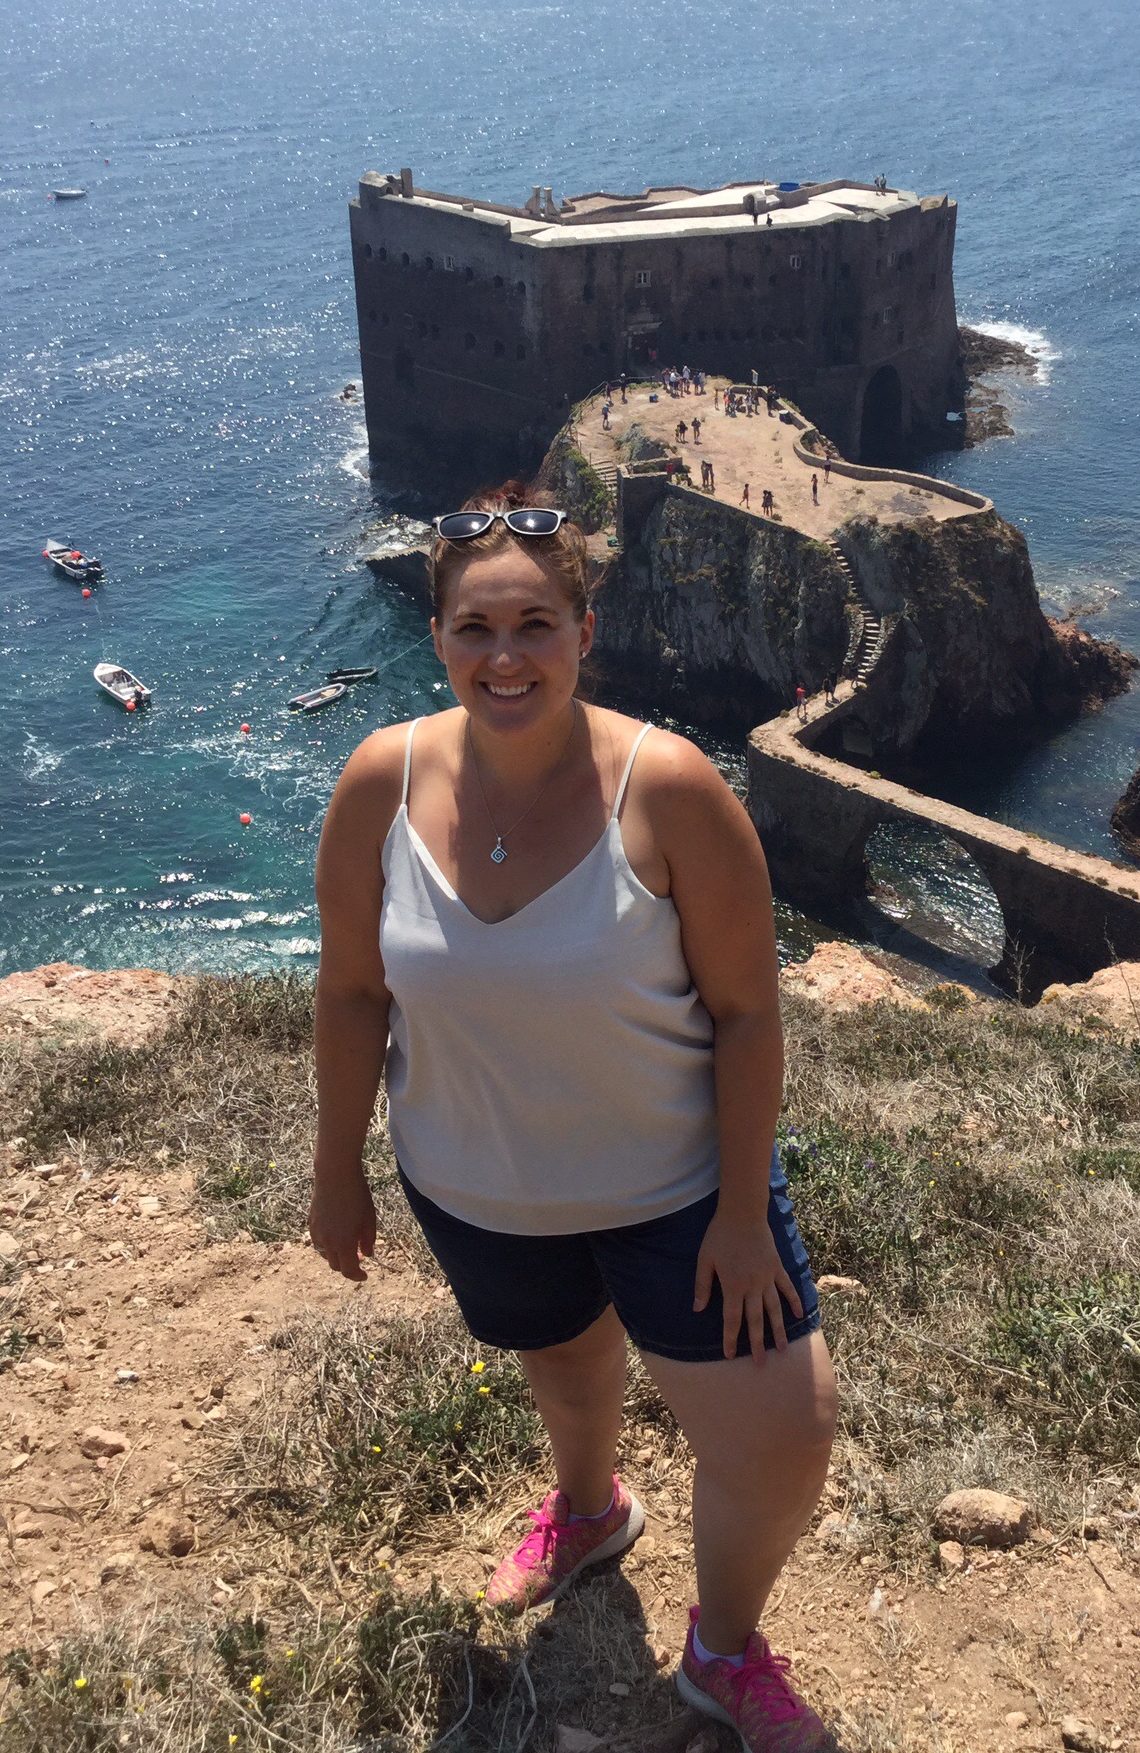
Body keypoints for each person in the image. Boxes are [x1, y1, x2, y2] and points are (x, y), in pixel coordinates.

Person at [309, 485, 837, 1753]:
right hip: (476, 1181)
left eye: (535, 624)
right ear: (437, 636)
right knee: (563, 1361)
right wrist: (337, 1169)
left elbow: (747, 1012)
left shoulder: (670, 788)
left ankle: (721, 1651)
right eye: (476, 627)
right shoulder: (380, 781)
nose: (506, 656)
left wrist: (741, 1214)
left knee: (784, 1433)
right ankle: (592, 1509)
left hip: (677, 1190)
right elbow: (351, 990)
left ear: (585, 632)